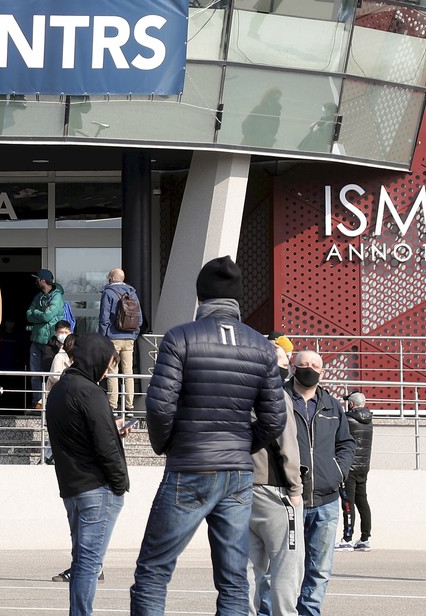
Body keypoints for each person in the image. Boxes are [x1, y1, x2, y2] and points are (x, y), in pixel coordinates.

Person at [129, 257, 286, 616]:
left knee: (154, 571)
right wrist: (244, 446)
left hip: (190, 464)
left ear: (201, 296)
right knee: (233, 579)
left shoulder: (181, 337)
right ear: (237, 300)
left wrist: (166, 444)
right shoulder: (262, 347)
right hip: (238, 472)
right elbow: (276, 418)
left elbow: (159, 405)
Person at [47, 334, 128, 616]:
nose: (107, 371)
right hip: (97, 488)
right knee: (89, 564)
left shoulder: (60, 389)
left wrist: (111, 426)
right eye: (107, 364)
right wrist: (120, 484)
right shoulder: (90, 392)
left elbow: (78, 432)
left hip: (72, 487)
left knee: (82, 560)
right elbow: (105, 446)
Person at [289, 349, 356, 615]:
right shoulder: (280, 399)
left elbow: (347, 443)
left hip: (326, 501)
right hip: (288, 498)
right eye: (303, 364)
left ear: (322, 371)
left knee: (319, 569)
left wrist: (338, 471)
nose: (308, 369)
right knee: (281, 568)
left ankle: (309, 612)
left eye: (314, 365)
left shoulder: (331, 404)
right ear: (293, 368)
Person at [247, 340, 302, 616]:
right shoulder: (278, 395)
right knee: (285, 565)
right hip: (273, 487)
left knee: (244, 568)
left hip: (237, 487)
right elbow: (288, 446)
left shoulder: (238, 391)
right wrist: (296, 488)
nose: (287, 365)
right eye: (284, 361)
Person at [97, 267, 143, 414]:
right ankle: (129, 406)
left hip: (112, 337)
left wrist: (103, 337)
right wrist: (134, 334)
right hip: (129, 338)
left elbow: (104, 317)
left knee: (112, 371)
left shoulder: (108, 293)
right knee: (128, 371)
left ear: (111, 278)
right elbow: (139, 318)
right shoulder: (132, 293)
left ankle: (113, 405)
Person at [339, 391, 374, 551]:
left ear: (351, 404)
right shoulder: (369, 419)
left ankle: (347, 538)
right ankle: (365, 538)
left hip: (349, 467)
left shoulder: (347, 419)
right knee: (362, 502)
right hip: (363, 467)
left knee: (348, 502)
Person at [25, 269, 65, 378]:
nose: (35, 282)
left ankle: (48, 395)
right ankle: (37, 396)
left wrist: (36, 312)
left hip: (50, 342)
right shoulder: (38, 296)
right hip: (36, 340)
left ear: (43, 281)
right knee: (34, 375)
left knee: (49, 374)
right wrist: (41, 313)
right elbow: (28, 315)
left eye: (37, 279)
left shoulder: (57, 297)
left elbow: (47, 316)